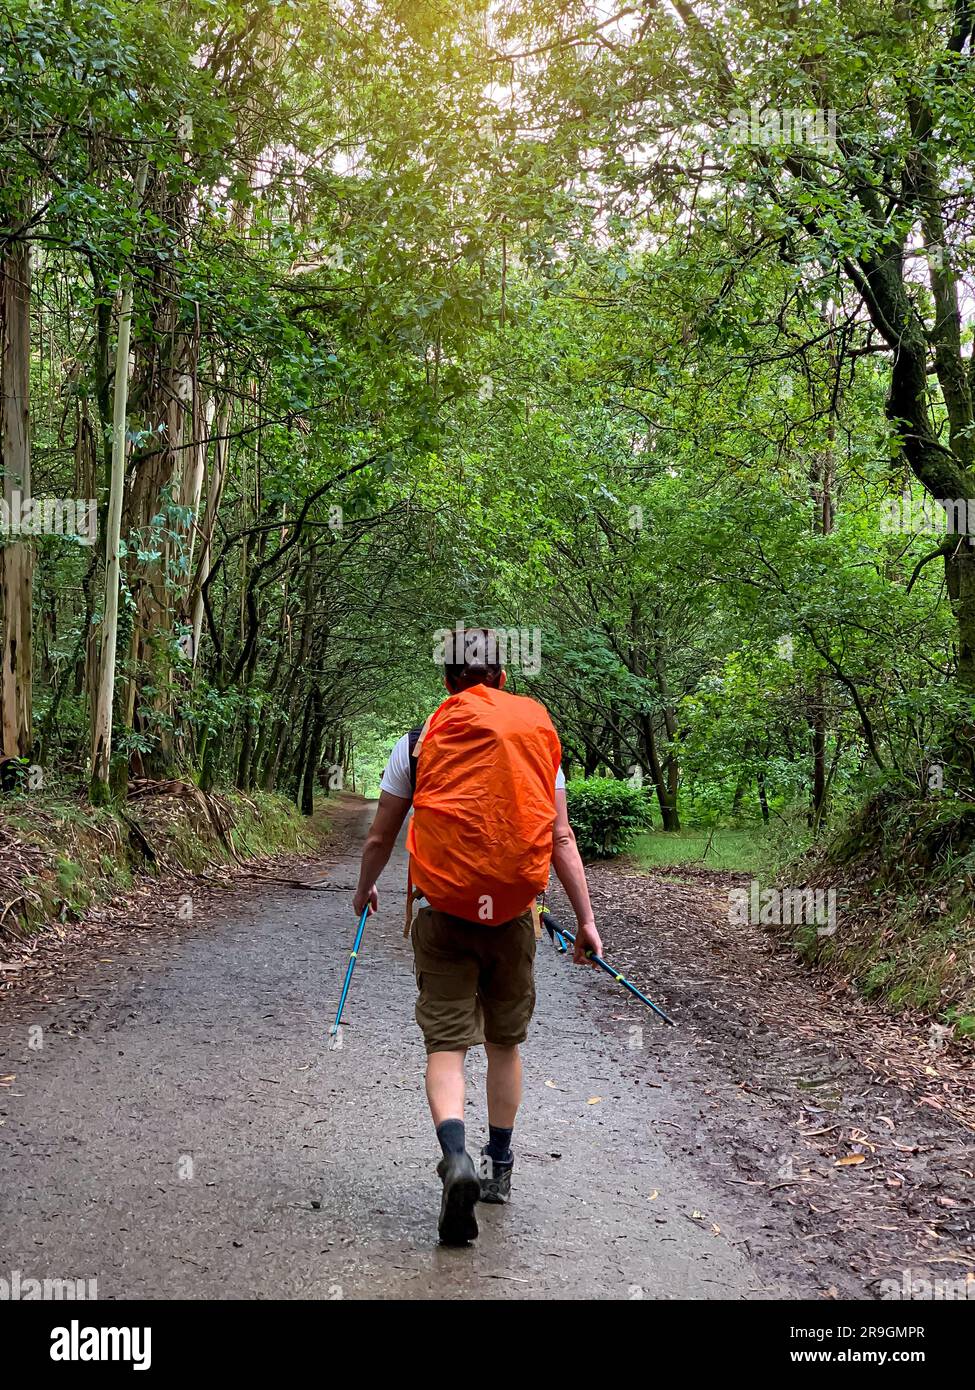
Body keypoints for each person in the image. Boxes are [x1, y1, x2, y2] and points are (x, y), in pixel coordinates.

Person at [352, 627, 602, 1245]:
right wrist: (587, 920)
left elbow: (381, 837)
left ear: (447, 682)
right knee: (505, 1043)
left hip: (443, 913)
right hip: (517, 914)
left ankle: (454, 1154)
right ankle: (500, 1169)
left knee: (446, 1045)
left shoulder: (418, 740)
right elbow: (562, 838)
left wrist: (364, 891)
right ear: (502, 678)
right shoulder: (539, 739)